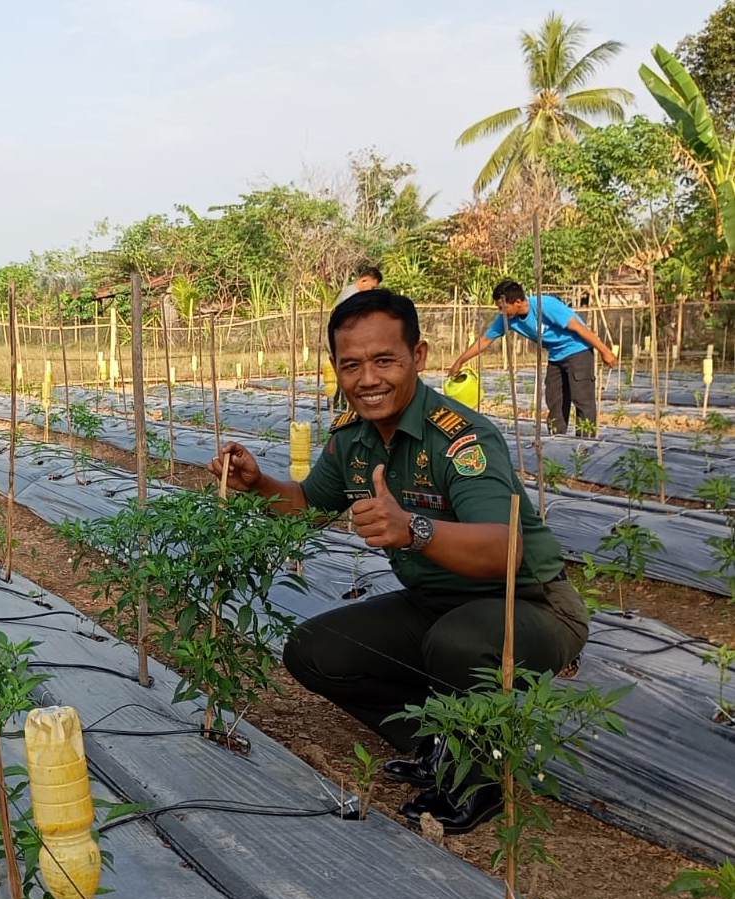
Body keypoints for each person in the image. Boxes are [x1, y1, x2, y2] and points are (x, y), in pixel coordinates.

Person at [209, 289, 588, 835]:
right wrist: (258, 484)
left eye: (384, 360)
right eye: (351, 364)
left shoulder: (461, 439)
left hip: (528, 605)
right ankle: (436, 740)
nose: (368, 379)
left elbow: (504, 550)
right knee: (315, 652)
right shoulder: (352, 440)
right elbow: (310, 506)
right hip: (435, 604)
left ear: (420, 356)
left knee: (457, 644)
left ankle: (480, 779)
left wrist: (414, 529)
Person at [449, 279, 618, 437]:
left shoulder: (545, 305)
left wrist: (605, 351)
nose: (501, 312)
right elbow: (485, 340)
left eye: (503, 307)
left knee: (582, 398)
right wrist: (460, 361)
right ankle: (558, 441)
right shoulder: (507, 318)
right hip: (556, 355)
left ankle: (586, 444)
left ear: (517, 302)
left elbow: (580, 328)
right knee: (554, 399)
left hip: (578, 351)